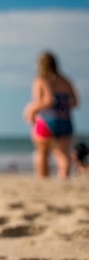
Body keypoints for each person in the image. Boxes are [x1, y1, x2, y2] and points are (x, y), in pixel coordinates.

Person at [22, 51, 79, 179]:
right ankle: (64, 178)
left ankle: (43, 179)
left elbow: (48, 100)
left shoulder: (41, 80)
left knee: (42, 152)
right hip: (65, 120)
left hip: (48, 120)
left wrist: (31, 109)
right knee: (63, 153)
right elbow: (75, 102)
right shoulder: (65, 81)